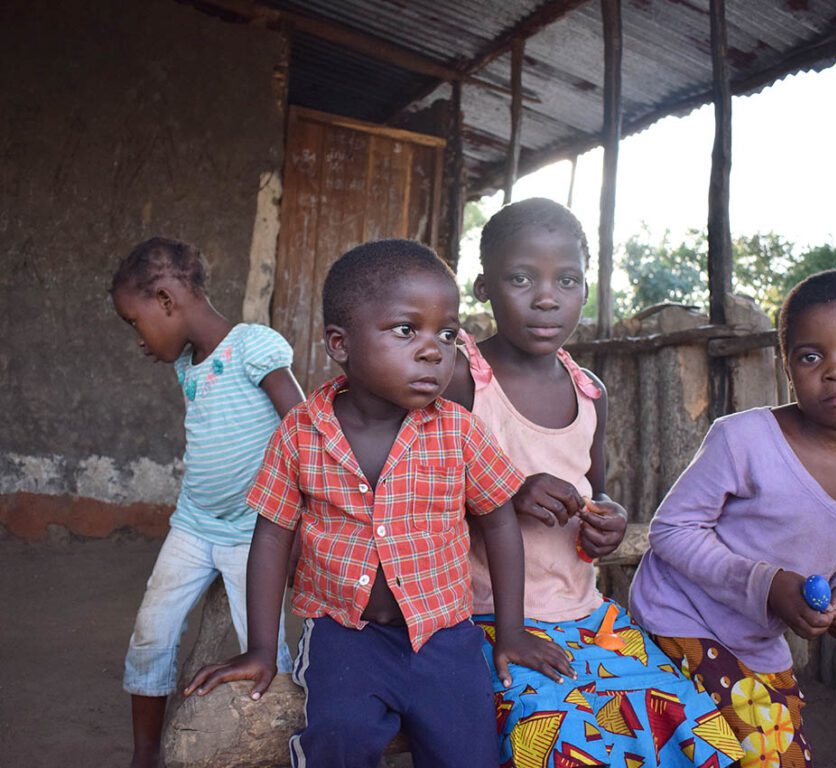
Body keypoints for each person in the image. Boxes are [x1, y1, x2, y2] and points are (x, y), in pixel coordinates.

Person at [184, 239, 572, 768]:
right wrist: (260, 648)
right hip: (346, 637)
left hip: (444, 637)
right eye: (406, 330)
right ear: (340, 344)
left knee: (469, 753)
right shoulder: (301, 432)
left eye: (448, 333)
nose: (434, 349)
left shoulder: (458, 431)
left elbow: (501, 525)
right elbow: (272, 536)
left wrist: (510, 632)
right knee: (339, 741)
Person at [444, 198, 743, 768]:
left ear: (587, 290)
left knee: (695, 729)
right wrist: (505, 493)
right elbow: (415, 495)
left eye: (568, 279)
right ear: (484, 287)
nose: (547, 296)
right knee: (566, 741)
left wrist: (607, 518)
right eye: (521, 278)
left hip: (586, 611)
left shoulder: (589, 391)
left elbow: (597, 489)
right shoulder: (462, 380)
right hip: (483, 619)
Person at [630, 269, 836, 768]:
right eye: (811, 356)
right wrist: (767, 585)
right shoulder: (742, 438)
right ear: (788, 369)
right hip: (678, 618)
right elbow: (671, 530)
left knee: (780, 756)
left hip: (759, 644)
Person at [111, 237, 303, 768]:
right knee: (151, 631)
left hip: (253, 531)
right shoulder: (188, 365)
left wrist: (299, 521)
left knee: (268, 652)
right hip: (194, 525)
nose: (139, 340)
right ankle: (146, 755)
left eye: (136, 321)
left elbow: (301, 427)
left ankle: (279, 747)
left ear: (168, 300)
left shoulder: (252, 345)